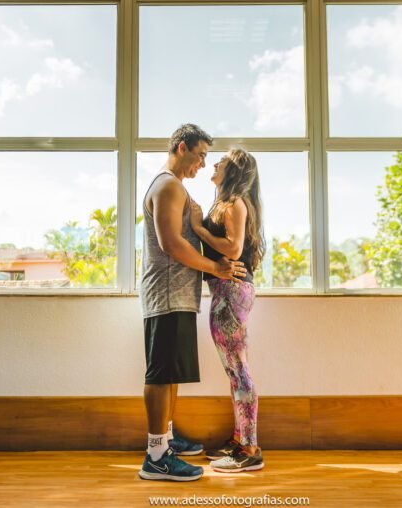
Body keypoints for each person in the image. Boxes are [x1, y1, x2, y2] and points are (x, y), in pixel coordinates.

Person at [138, 124, 247, 482]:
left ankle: (166, 439)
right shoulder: (168, 185)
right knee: (159, 373)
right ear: (181, 147)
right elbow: (171, 244)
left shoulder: (175, 187)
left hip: (177, 294)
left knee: (169, 372)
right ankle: (156, 456)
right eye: (200, 155)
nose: (203, 164)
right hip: (167, 294)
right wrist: (216, 266)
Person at [189, 147, 265, 473]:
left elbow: (233, 248)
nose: (214, 162)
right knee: (234, 370)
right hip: (227, 290)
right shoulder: (226, 202)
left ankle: (249, 449)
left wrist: (200, 230)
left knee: (238, 369)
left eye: (222, 160)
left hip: (232, 290)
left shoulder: (234, 203)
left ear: (233, 170)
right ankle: (239, 440)